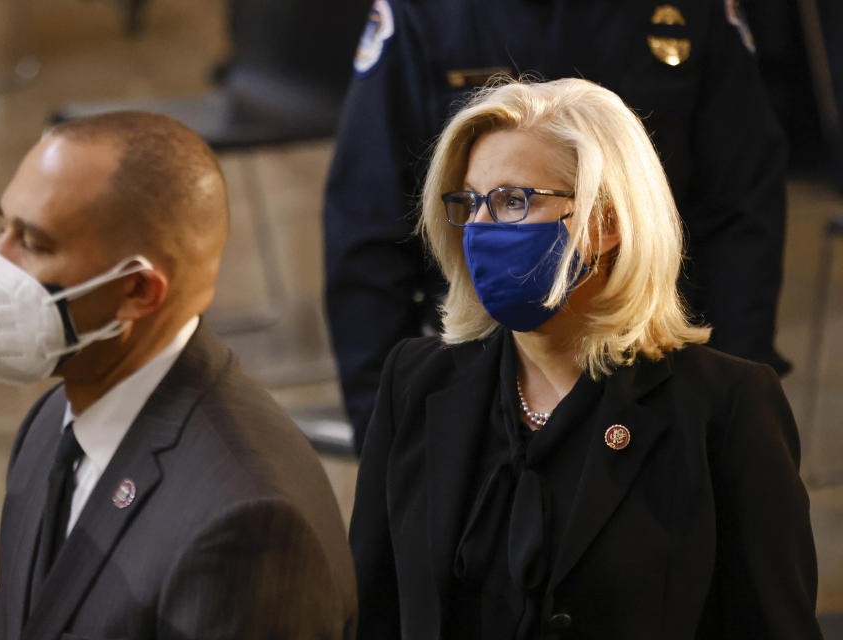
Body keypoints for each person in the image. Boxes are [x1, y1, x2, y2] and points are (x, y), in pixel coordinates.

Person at [349, 78, 822, 640]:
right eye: (469, 202)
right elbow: (370, 616)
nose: (479, 228)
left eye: (512, 201)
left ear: (606, 221)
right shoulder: (416, 381)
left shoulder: (726, 409)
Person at [0, 112, 357, 640]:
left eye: (35, 243)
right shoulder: (50, 426)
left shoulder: (247, 523)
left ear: (138, 291)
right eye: (4, 225)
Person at [325, 0, 791, 452]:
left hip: (659, 358)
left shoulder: (694, 10)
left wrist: (736, 401)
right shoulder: (425, 13)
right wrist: (382, 425)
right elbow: (366, 230)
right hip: (486, 375)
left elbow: (743, 207)